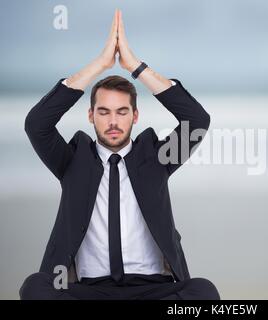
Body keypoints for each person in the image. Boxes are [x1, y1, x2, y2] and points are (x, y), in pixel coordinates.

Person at [19, 9, 219, 300]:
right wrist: (99, 66)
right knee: (35, 287)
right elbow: (37, 125)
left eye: (122, 112)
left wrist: (135, 67)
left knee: (202, 290)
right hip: (89, 290)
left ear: (135, 116)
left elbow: (196, 120)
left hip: (153, 289)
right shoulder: (72, 161)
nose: (113, 121)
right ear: (91, 116)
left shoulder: (158, 159)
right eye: (104, 112)